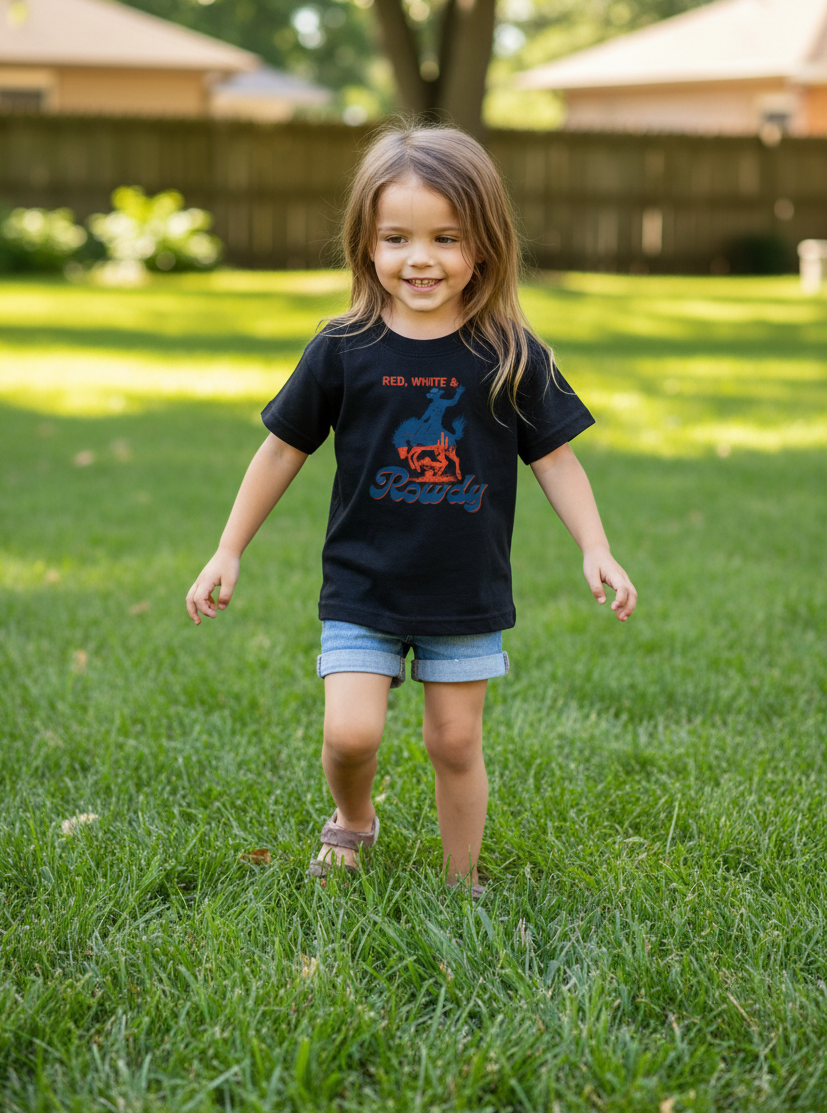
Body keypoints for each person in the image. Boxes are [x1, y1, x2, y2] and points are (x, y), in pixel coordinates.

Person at [185, 123, 637, 897]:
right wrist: (228, 550)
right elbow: (281, 450)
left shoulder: (512, 354)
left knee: (455, 741)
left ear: (484, 246)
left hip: (462, 590)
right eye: (396, 237)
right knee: (350, 732)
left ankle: (462, 881)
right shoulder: (342, 348)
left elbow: (556, 458)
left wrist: (595, 547)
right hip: (364, 584)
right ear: (366, 244)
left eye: (445, 238)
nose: (419, 258)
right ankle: (353, 819)